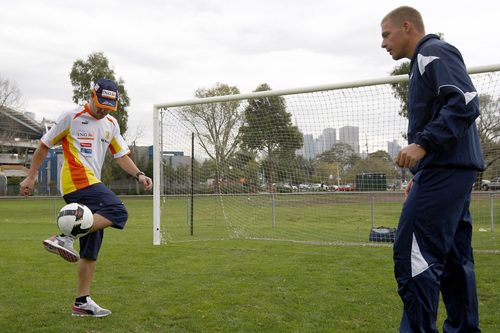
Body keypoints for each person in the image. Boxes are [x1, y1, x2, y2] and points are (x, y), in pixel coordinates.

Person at [381, 6, 483, 333]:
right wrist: (421, 173)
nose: (383, 43)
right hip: (446, 171)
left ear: (407, 27)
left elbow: (465, 100)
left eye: (386, 34)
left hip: (446, 170)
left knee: (412, 253)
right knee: (454, 260)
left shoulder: (434, 51)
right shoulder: (421, 63)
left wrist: (423, 144)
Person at [20, 79, 153, 317]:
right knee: (118, 210)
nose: (103, 110)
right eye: (101, 104)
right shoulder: (71, 117)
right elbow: (43, 145)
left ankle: (81, 303)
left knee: (90, 248)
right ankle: (64, 237)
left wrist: (139, 174)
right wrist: (30, 177)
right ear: (92, 95)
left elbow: (121, 155)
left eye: (109, 107)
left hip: (93, 183)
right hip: (77, 182)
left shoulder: (111, 124)